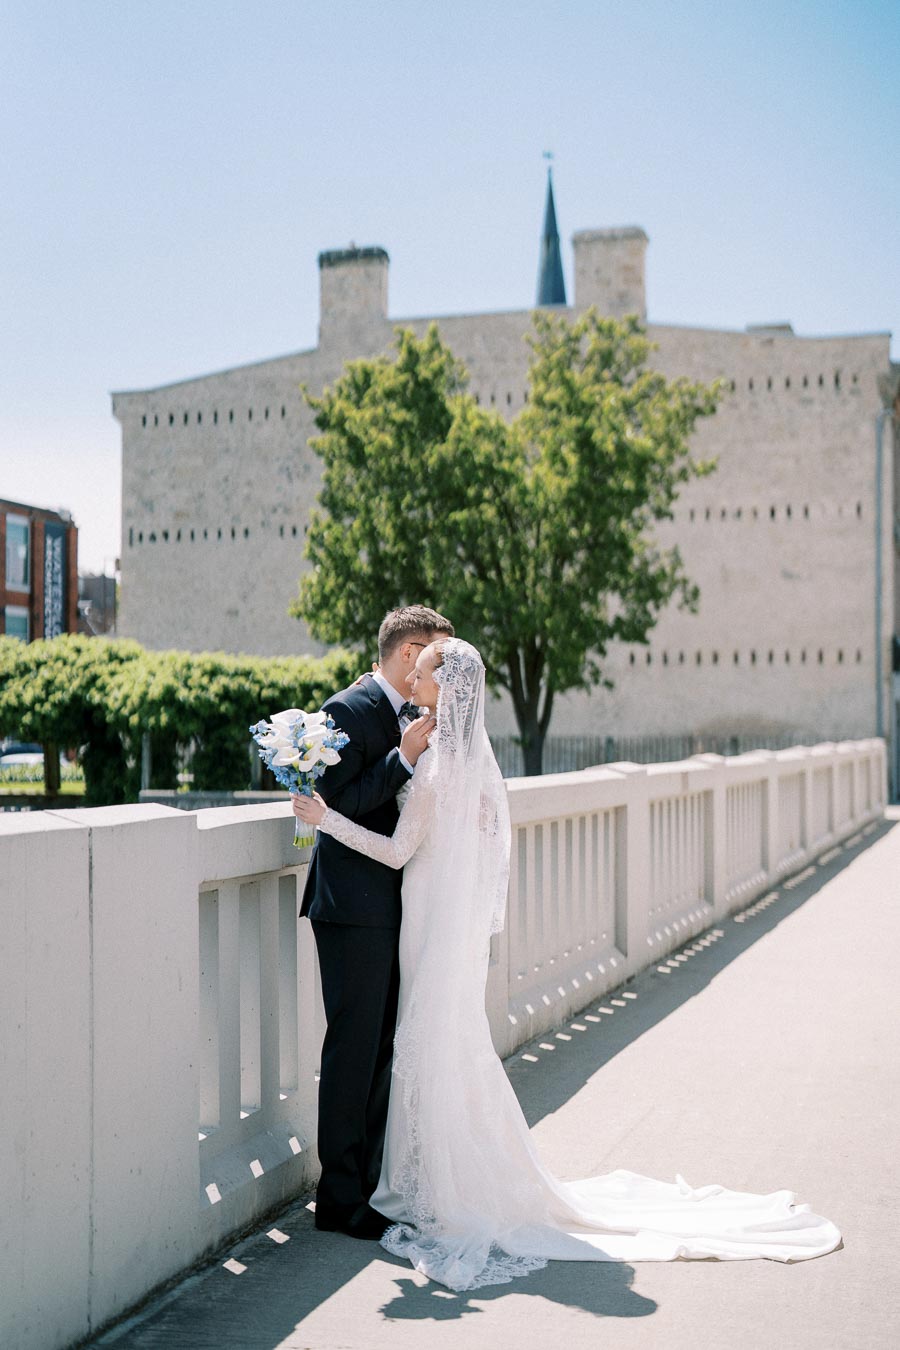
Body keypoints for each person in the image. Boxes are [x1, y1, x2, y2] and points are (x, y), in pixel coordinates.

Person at [294, 635, 842, 1291]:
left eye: (427, 673)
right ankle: (432, 1180)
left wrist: (326, 820)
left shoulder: (441, 764)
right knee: (441, 1053)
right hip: (440, 928)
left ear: (450, 689)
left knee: (424, 1051)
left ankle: (426, 1187)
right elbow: (483, 847)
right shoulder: (468, 763)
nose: (416, 678)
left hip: (425, 928)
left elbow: (395, 852)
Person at [298, 604, 453, 1239]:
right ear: (407, 650)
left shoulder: (411, 715)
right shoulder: (350, 709)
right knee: (352, 1050)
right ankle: (337, 1198)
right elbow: (336, 806)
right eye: (433, 655)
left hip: (393, 905)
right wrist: (404, 761)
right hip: (353, 907)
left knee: (381, 1052)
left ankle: (366, 1185)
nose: (435, 668)